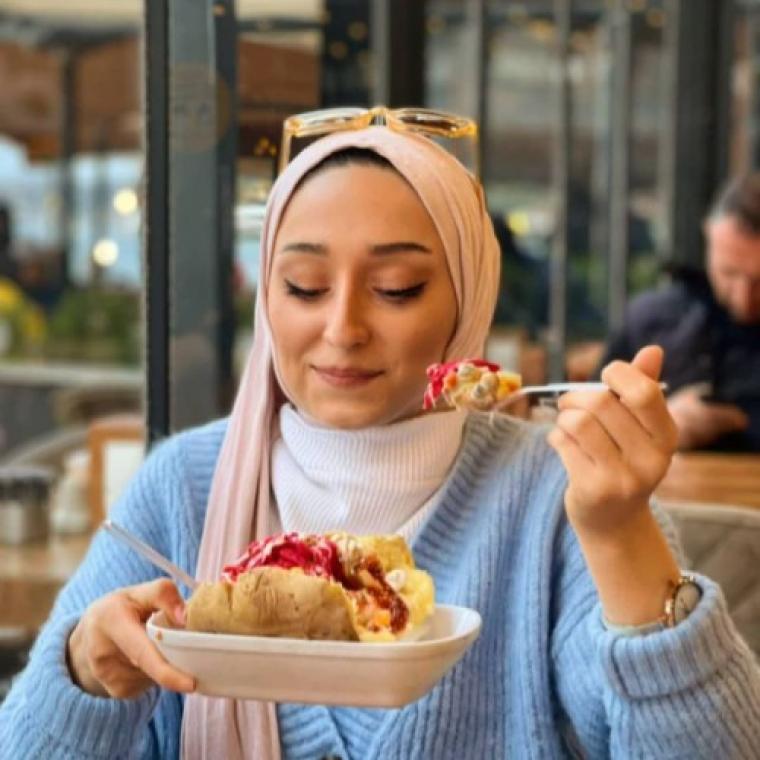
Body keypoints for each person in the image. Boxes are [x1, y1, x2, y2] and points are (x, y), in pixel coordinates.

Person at [1, 119, 759, 760]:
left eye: (397, 289)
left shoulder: (555, 500)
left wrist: (621, 532)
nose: (342, 330)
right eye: (302, 287)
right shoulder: (184, 487)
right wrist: (84, 676)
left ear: (468, 298)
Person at [599, 173, 760, 451]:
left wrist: (742, 422)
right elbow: (592, 418)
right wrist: (656, 422)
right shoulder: (650, 319)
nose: (744, 299)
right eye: (729, 273)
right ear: (710, 234)